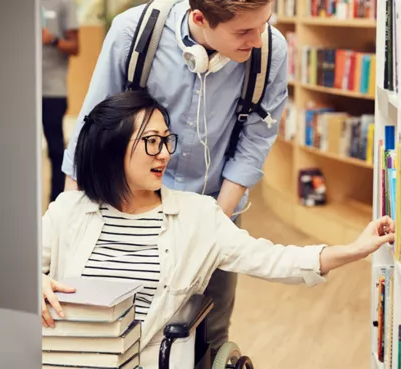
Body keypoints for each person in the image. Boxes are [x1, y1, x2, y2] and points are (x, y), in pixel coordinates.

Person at [41, 91, 394, 368]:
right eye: (152, 141)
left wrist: (352, 249)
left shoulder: (197, 217)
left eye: (167, 140)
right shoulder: (67, 211)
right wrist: (35, 281)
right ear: (112, 147)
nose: (164, 153)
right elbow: (15, 270)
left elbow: (272, 259)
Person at [61, 0, 287, 354]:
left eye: (264, 25)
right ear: (199, 18)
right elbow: (90, 129)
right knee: (118, 327)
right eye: (244, 31)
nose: (258, 40)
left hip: (214, 207)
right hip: (129, 210)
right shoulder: (132, 34)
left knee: (208, 331)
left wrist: (210, 226)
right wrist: (71, 222)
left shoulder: (271, 51)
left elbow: (253, 145)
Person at [41, 0, 80, 202]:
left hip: (53, 91)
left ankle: (56, 202)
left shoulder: (65, 3)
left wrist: (52, 40)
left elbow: (75, 46)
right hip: (21, 92)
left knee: (56, 150)